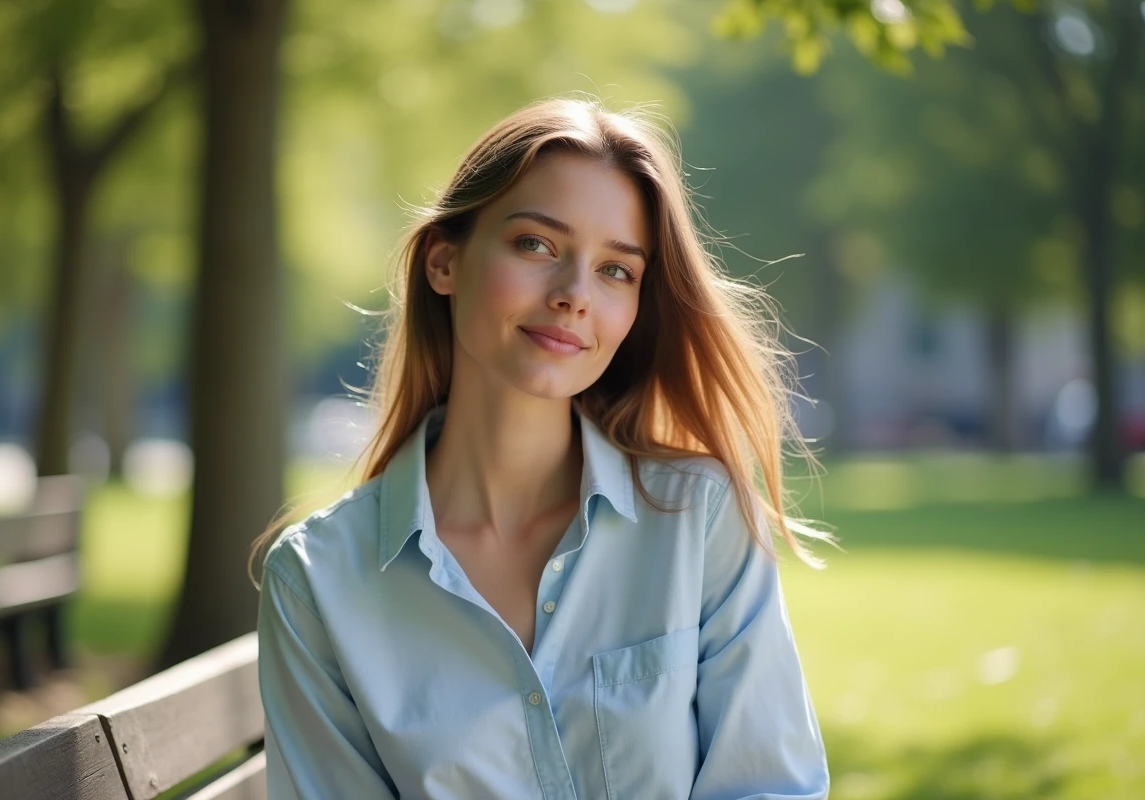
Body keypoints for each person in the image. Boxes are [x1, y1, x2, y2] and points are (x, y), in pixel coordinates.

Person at [251, 95, 834, 799]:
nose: (573, 295)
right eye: (536, 245)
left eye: (616, 270)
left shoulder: (699, 519)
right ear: (444, 262)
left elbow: (769, 783)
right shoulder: (318, 581)